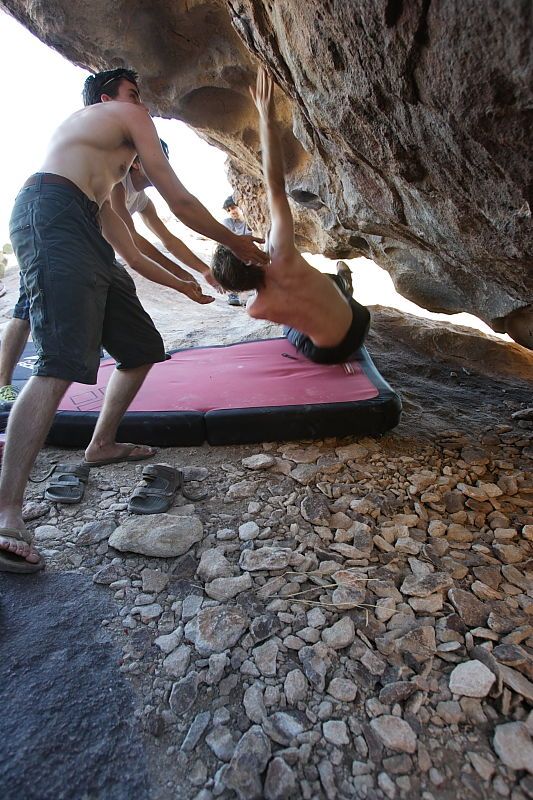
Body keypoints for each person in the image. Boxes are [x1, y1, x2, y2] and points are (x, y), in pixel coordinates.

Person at [0, 67, 267, 573]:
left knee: (141, 346)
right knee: (59, 361)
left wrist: (186, 282)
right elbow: (178, 197)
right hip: (51, 214)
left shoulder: (106, 179)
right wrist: (234, 244)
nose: (142, 103)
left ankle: (100, 444)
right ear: (110, 98)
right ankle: (6, 512)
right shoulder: (121, 116)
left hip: (80, 225)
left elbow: (134, 249)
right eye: (134, 93)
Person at [0, 138, 222, 410]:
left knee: (140, 345)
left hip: (90, 251)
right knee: (26, 311)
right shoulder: (116, 185)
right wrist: (181, 281)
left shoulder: (141, 199)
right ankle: (3, 386)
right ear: (139, 163)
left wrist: (200, 272)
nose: (165, 167)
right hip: (57, 239)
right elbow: (134, 246)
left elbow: (168, 239)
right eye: (159, 159)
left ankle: (102, 442)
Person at [211, 68, 370, 365]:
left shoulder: (254, 308)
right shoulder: (281, 250)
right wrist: (265, 117)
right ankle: (341, 285)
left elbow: (258, 291)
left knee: (289, 327)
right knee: (325, 283)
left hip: (330, 352)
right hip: (359, 322)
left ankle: (336, 286)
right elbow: (275, 185)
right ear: (248, 252)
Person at [222, 195, 252, 307]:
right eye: (229, 210)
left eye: (233, 207)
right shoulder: (228, 222)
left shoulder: (250, 221)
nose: (232, 211)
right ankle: (233, 293)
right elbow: (227, 240)